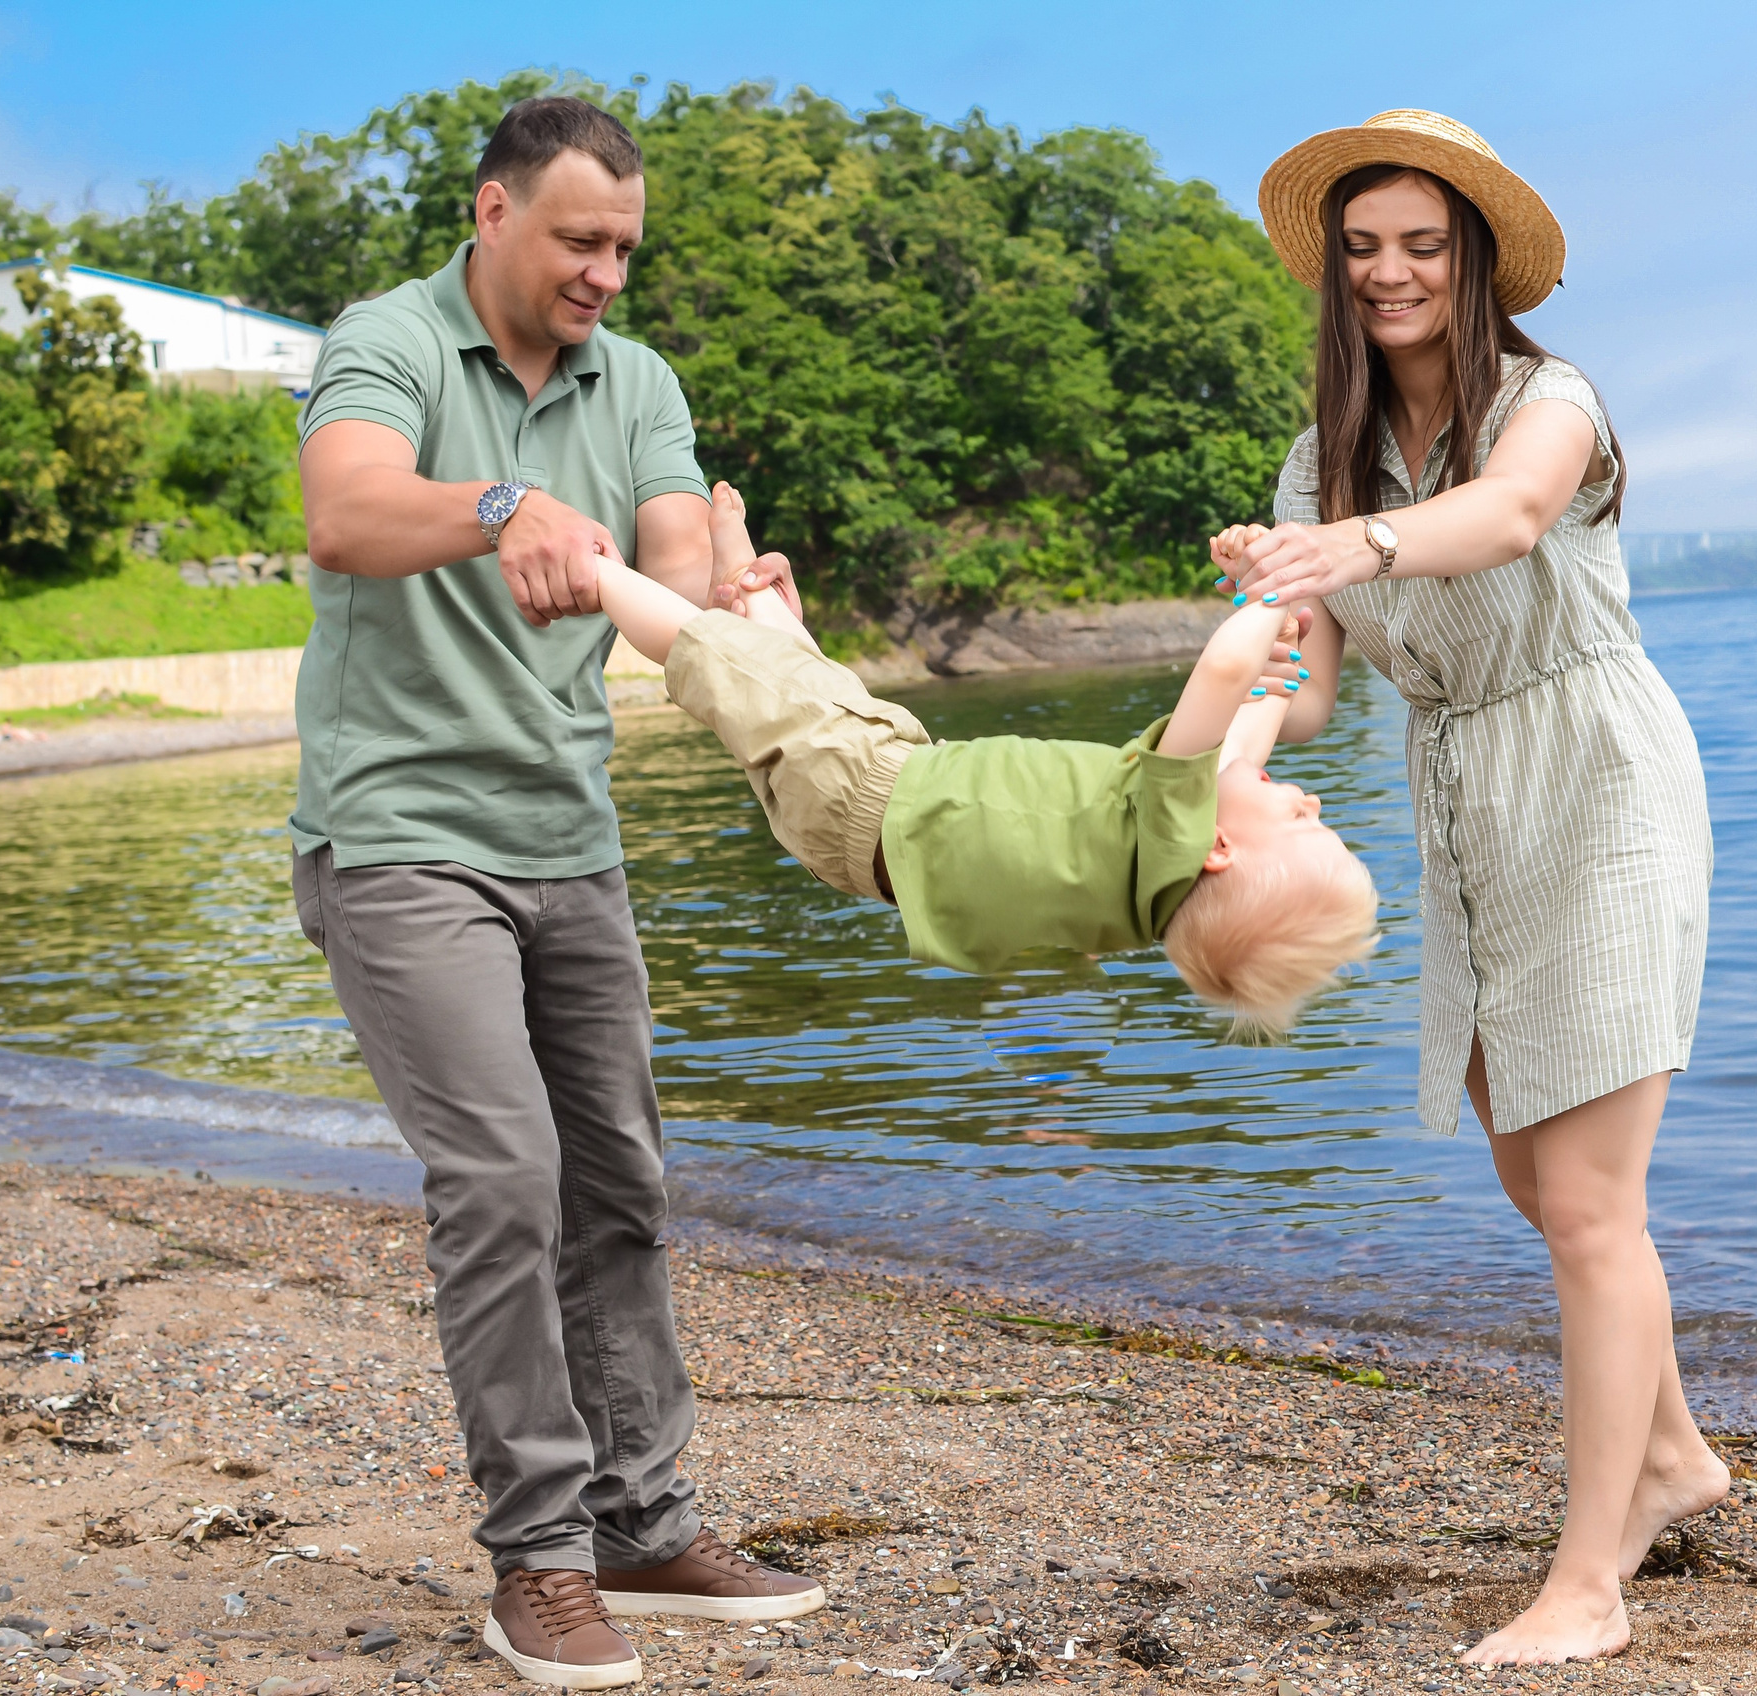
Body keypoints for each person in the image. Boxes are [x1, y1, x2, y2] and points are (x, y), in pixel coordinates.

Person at [291, 96, 818, 1689]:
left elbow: (665, 556)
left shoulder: (635, 378)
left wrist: (731, 583)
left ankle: (642, 1526)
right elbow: (346, 510)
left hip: (567, 837)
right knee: (503, 1178)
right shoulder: (385, 338)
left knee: (619, 1183)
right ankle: (539, 1558)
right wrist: (504, 506)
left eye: (626, 250)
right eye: (582, 241)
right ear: (496, 212)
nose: (606, 274)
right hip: (397, 838)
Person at [1218, 110, 1728, 1666]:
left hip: (1600, 784)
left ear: (1474, 258)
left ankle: (1590, 1584)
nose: (1390, 272)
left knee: (1589, 1202)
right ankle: (1670, 1459)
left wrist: (1341, 554)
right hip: (1469, 809)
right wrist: (1248, 675)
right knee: (1537, 1181)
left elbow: (1498, 523)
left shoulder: (1549, 405)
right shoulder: (1326, 459)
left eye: (1421, 246)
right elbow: (1307, 693)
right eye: (1363, 248)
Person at [592, 485, 1378, 1026]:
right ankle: (743, 569)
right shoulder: (1166, 865)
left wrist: (1269, 593)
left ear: (1216, 849)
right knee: (788, 668)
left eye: (1306, 824)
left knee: (716, 656)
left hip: (870, 792)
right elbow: (1254, 717)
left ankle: (593, 574)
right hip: (886, 814)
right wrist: (1271, 623)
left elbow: (1226, 673)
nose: (1311, 803)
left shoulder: (1173, 827)